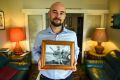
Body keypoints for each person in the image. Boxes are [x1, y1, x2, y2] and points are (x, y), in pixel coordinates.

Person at [32, 2, 79, 80]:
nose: (58, 16)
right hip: (46, 77)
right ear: (49, 14)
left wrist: (74, 59)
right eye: (54, 12)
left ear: (64, 16)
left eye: (61, 13)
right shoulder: (40, 35)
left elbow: (76, 50)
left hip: (66, 77)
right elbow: (35, 50)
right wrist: (39, 59)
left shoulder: (72, 35)